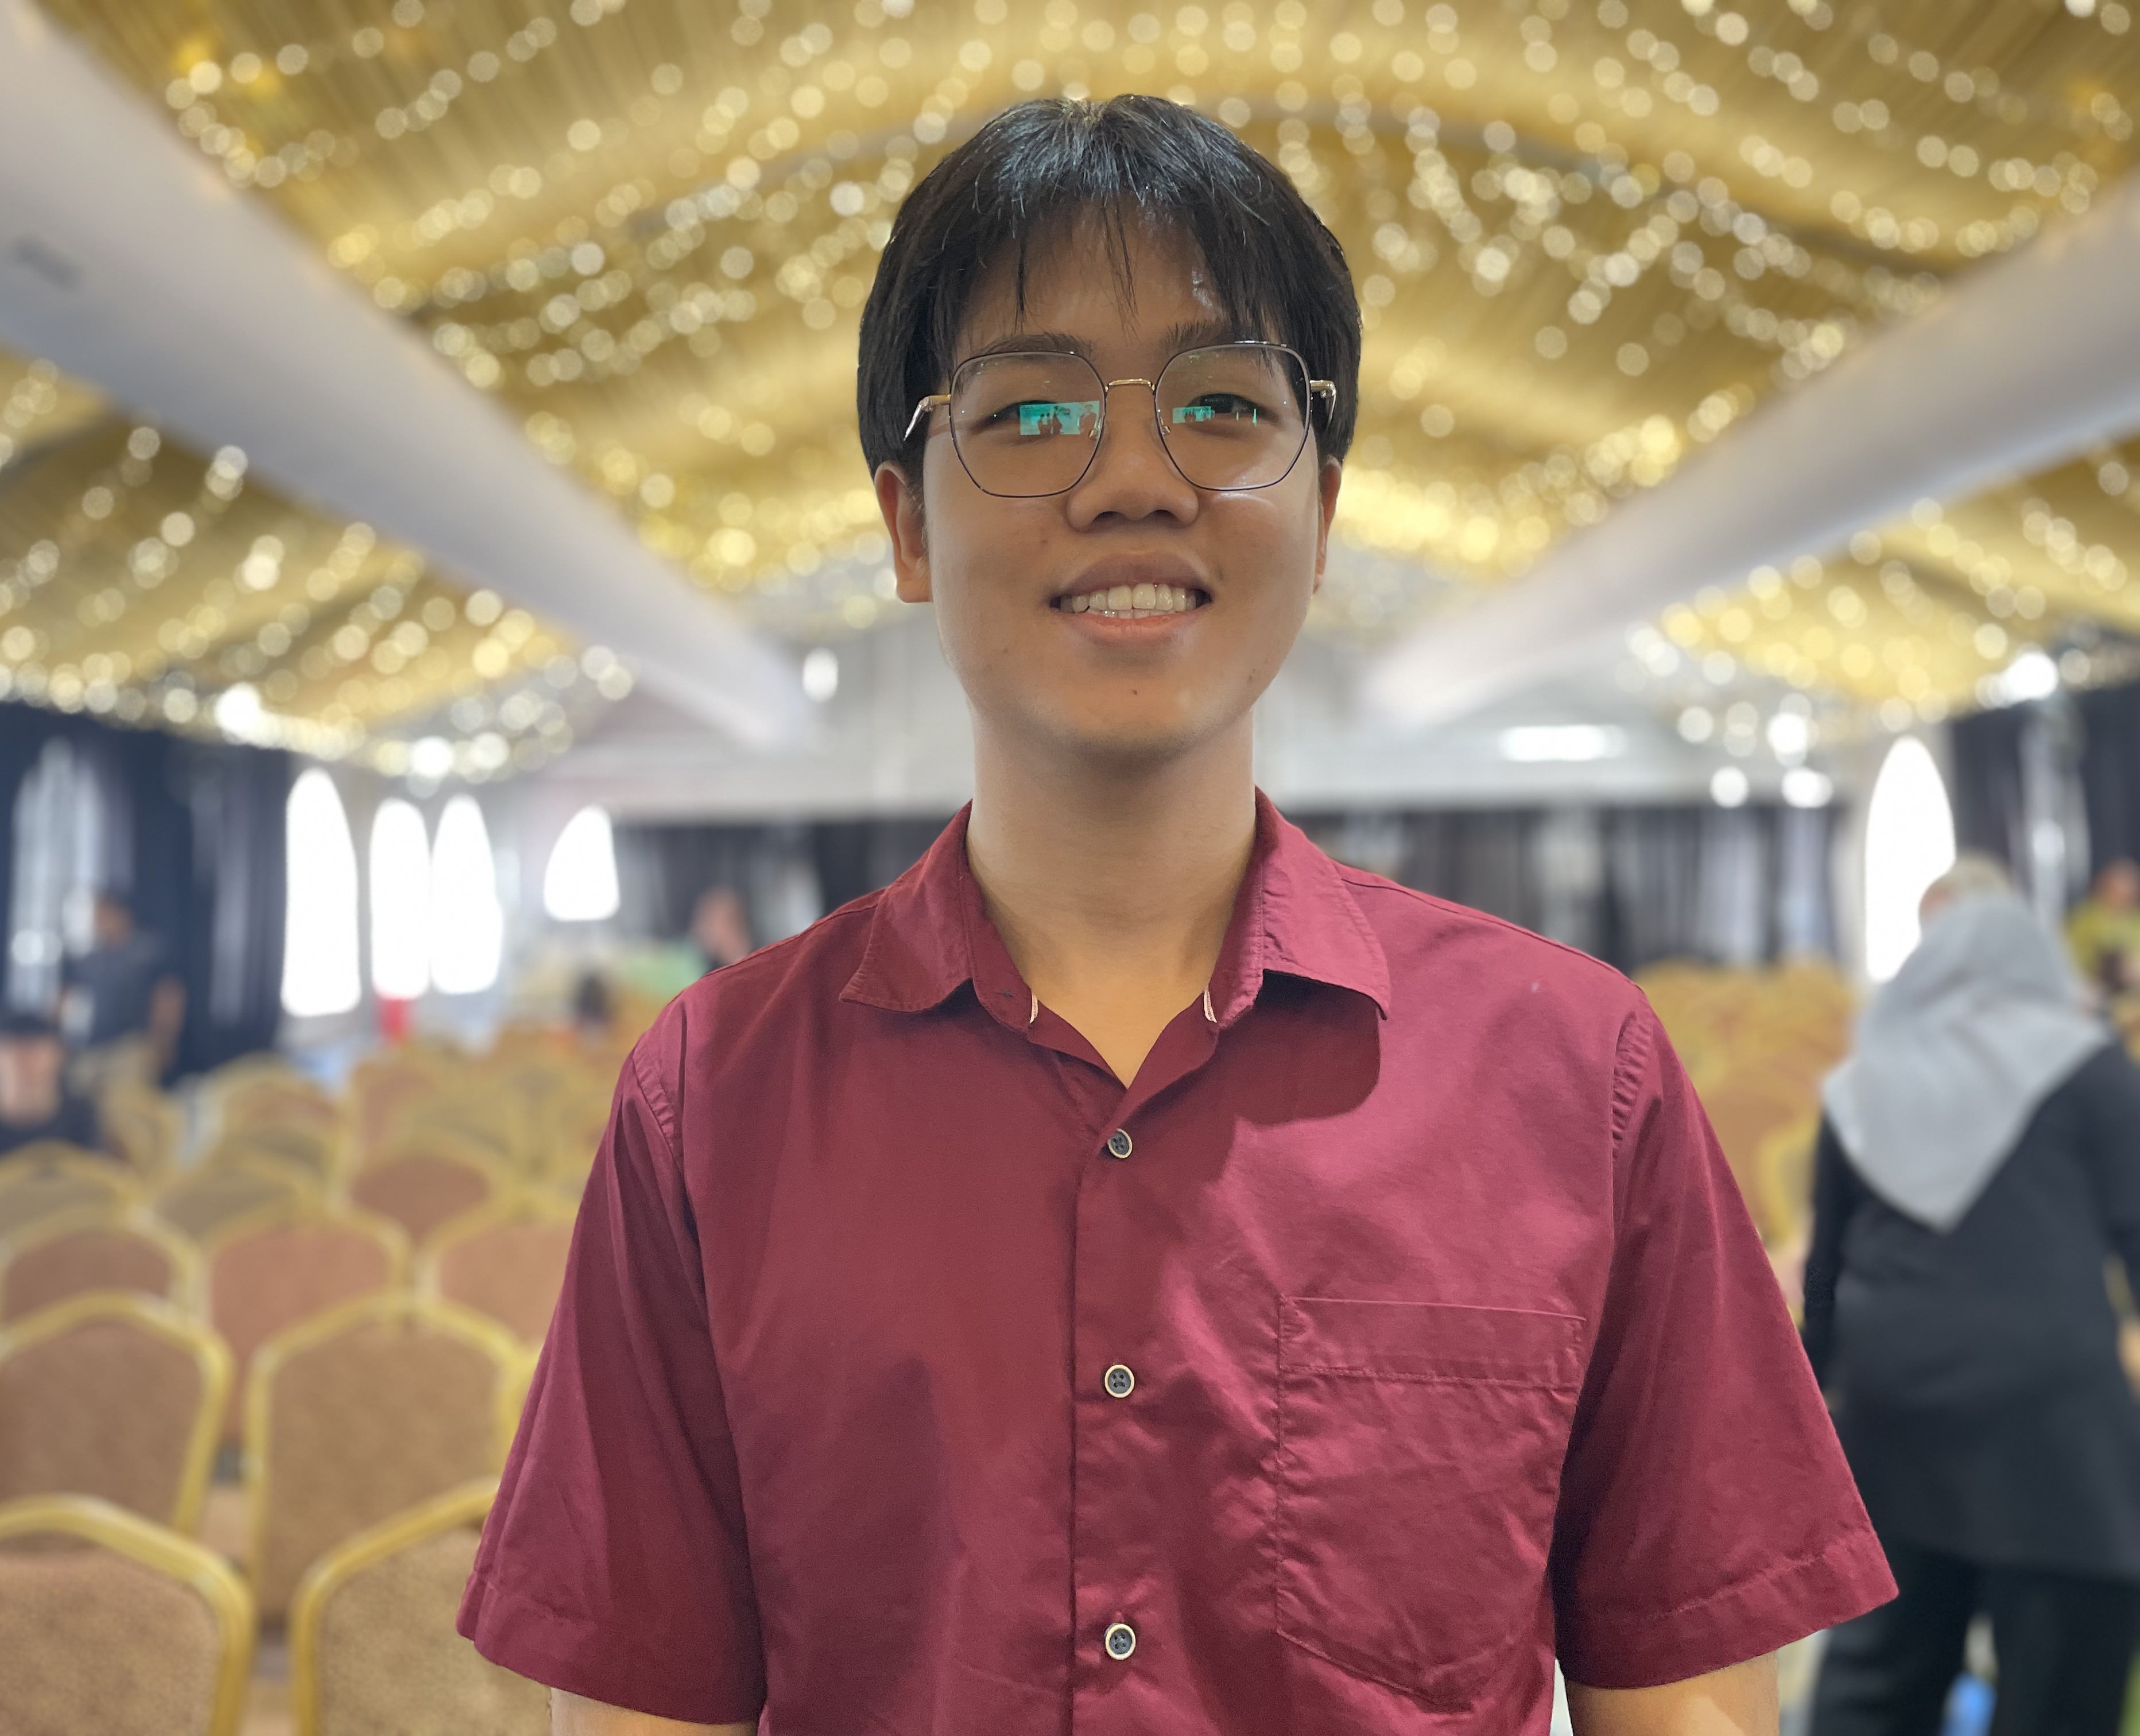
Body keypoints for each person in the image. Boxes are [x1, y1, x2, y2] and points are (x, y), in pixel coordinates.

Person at [460, 96, 1889, 1735]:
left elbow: (1689, 1709)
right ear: (908, 525)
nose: (1134, 479)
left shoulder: (1578, 1074)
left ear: (1324, 511)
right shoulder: (712, 1098)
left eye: (1221, 405)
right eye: (1031, 411)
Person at [1805, 863, 2140, 1736]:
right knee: (2064, 1672)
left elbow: (1824, 1272)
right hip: (2054, 1422)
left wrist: (1811, 1410)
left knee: (1879, 1676)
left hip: (1893, 1410)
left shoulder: (1863, 1085)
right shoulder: (2088, 1068)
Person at [0, 1005, 100, 1179]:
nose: (28, 1064)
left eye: (35, 1050)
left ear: (60, 1056)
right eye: (15, 1052)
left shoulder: (84, 1118)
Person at [59, 891, 184, 1081]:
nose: (99, 921)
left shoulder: (148, 954)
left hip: (135, 1044)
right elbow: (64, 999)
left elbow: (169, 997)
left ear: (123, 915)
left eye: (105, 914)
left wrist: (164, 1042)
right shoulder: (89, 960)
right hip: (92, 1047)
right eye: (97, 915)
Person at [2065, 858, 2140, 998]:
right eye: (2117, 889)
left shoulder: (2135, 918)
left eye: (2129, 890)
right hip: (2091, 987)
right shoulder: (2084, 917)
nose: (2123, 895)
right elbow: (2071, 956)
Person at [687, 885, 753, 974]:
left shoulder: (765, 965)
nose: (699, 931)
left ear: (730, 923)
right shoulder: (711, 976)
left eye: (708, 922)